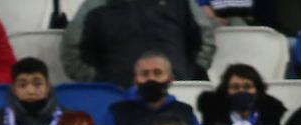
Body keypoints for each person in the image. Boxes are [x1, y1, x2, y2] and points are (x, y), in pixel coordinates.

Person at [72, 0, 214, 87]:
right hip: (117, 96)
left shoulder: (181, 3)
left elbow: (204, 40)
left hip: (178, 90)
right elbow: (73, 54)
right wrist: (101, 83)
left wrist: (188, 75)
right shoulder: (94, 6)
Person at [110, 52, 200, 125]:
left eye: (158, 73)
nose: (151, 78)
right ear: (135, 80)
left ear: (170, 79)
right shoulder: (117, 113)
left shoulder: (185, 112)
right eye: (144, 73)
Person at [0, 58, 63, 125]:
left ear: (48, 87)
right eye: (22, 85)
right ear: (14, 89)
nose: (31, 91)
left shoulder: (66, 119)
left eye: (37, 84)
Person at [197, 64, 286, 125]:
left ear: (257, 90)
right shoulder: (213, 115)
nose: (241, 91)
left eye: (247, 87)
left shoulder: (271, 116)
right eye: (235, 87)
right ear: (226, 90)